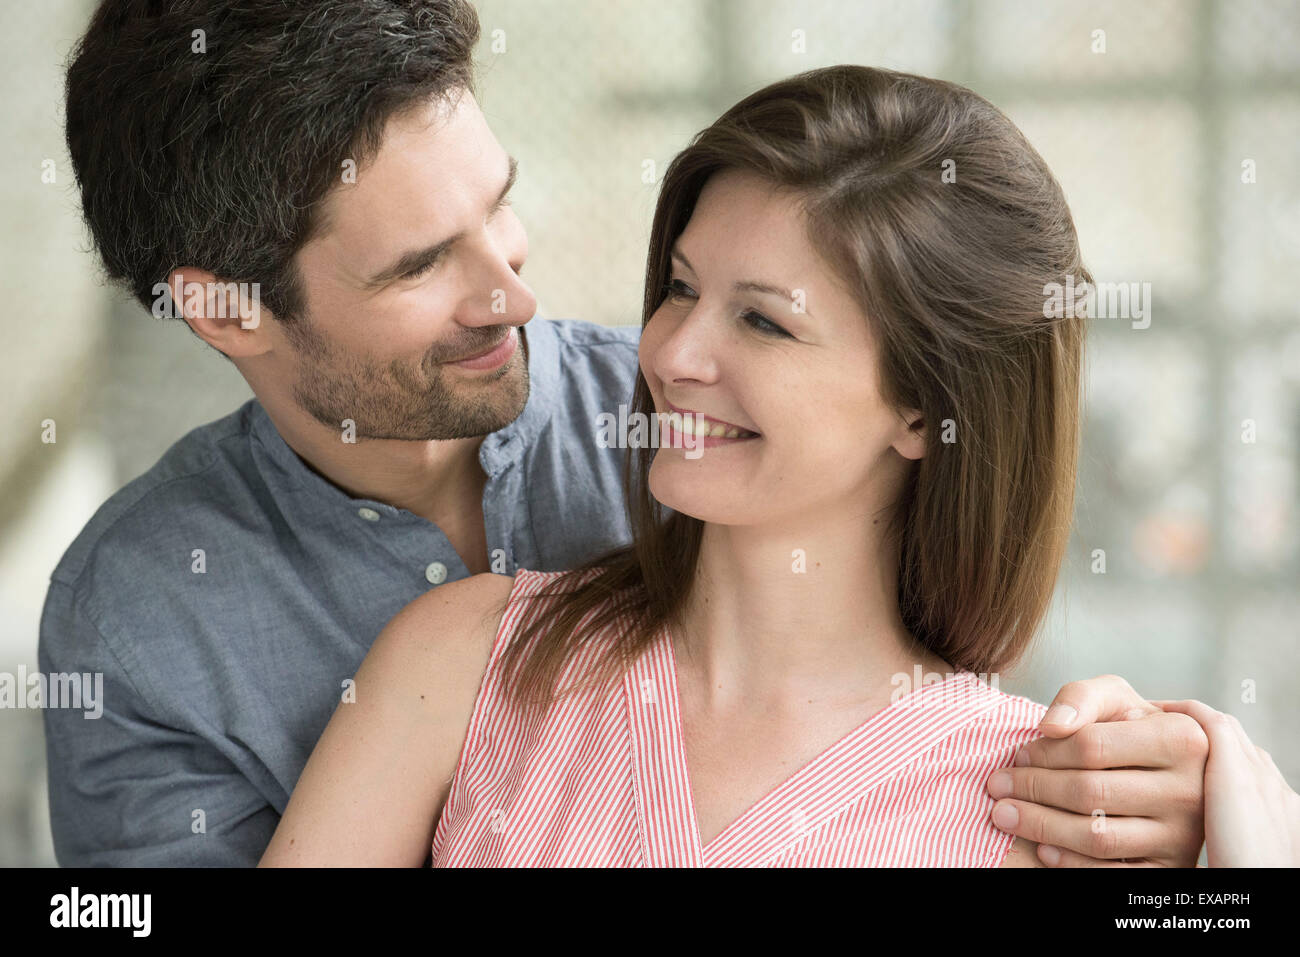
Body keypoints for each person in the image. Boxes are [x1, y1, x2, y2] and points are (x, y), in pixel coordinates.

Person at [46, 0, 1205, 867]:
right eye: (418, 265)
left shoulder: (684, 425)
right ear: (225, 310)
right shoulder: (153, 613)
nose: (514, 297)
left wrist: (1167, 785)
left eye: (498, 208)